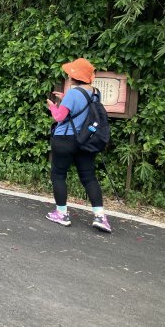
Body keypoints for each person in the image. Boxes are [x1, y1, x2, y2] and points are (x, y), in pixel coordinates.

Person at [46, 58, 112, 233]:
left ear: (73, 77)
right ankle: (100, 217)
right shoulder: (96, 93)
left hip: (65, 140)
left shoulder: (74, 93)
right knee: (89, 177)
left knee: (59, 175)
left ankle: (62, 214)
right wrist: (65, 99)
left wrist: (53, 106)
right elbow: (83, 108)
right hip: (86, 139)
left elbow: (59, 117)